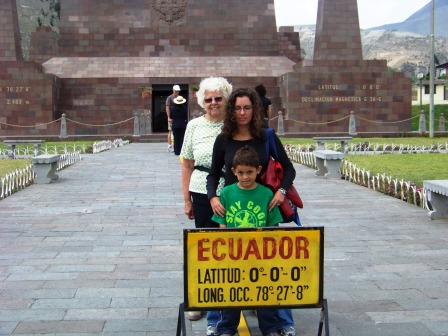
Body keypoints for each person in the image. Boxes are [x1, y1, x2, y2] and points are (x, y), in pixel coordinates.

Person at [206, 87, 296, 336]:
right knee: (229, 270)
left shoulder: (266, 136)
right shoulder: (223, 139)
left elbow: (288, 170)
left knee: (269, 270)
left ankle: (280, 323)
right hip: (233, 210)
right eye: (237, 108)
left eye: (247, 107)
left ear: (254, 110)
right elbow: (214, 174)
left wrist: (282, 192)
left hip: (264, 209)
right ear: (231, 111)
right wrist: (213, 197)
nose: (242, 112)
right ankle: (222, 324)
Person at [211, 146, 284, 336]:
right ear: (233, 171)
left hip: (259, 253)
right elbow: (222, 223)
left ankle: (270, 328)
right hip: (234, 253)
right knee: (232, 290)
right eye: (241, 172)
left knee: (264, 291)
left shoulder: (266, 194)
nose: (245, 177)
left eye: (250, 172)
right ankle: (226, 328)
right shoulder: (226, 193)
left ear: (258, 170)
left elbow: (273, 224)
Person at [179, 76, 233, 324]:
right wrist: (187, 200)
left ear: (226, 99)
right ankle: (201, 298)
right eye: (209, 99)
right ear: (202, 101)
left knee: (237, 245)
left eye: (218, 98)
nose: (213, 103)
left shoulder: (235, 124)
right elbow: (187, 165)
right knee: (206, 246)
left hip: (236, 190)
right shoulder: (194, 126)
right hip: (201, 190)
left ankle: (242, 295)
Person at [166, 84, 181, 152]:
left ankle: (177, 145)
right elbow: (167, 108)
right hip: (172, 117)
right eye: (175, 91)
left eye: (178, 91)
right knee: (170, 131)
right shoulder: (169, 98)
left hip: (178, 118)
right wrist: (169, 117)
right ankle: (169, 146)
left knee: (177, 132)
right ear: (173, 90)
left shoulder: (180, 98)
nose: (177, 92)